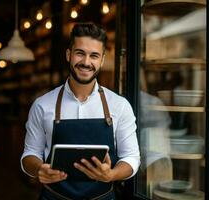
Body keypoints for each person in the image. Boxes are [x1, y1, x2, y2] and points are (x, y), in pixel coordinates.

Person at [21, 22, 140, 200]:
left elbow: (132, 157)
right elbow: (29, 155)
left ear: (102, 60)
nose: (86, 62)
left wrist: (111, 175)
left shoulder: (119, 106)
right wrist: (39, 169)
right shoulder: (42, 105)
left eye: (94, 56)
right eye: (80, 53)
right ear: (69, 55)